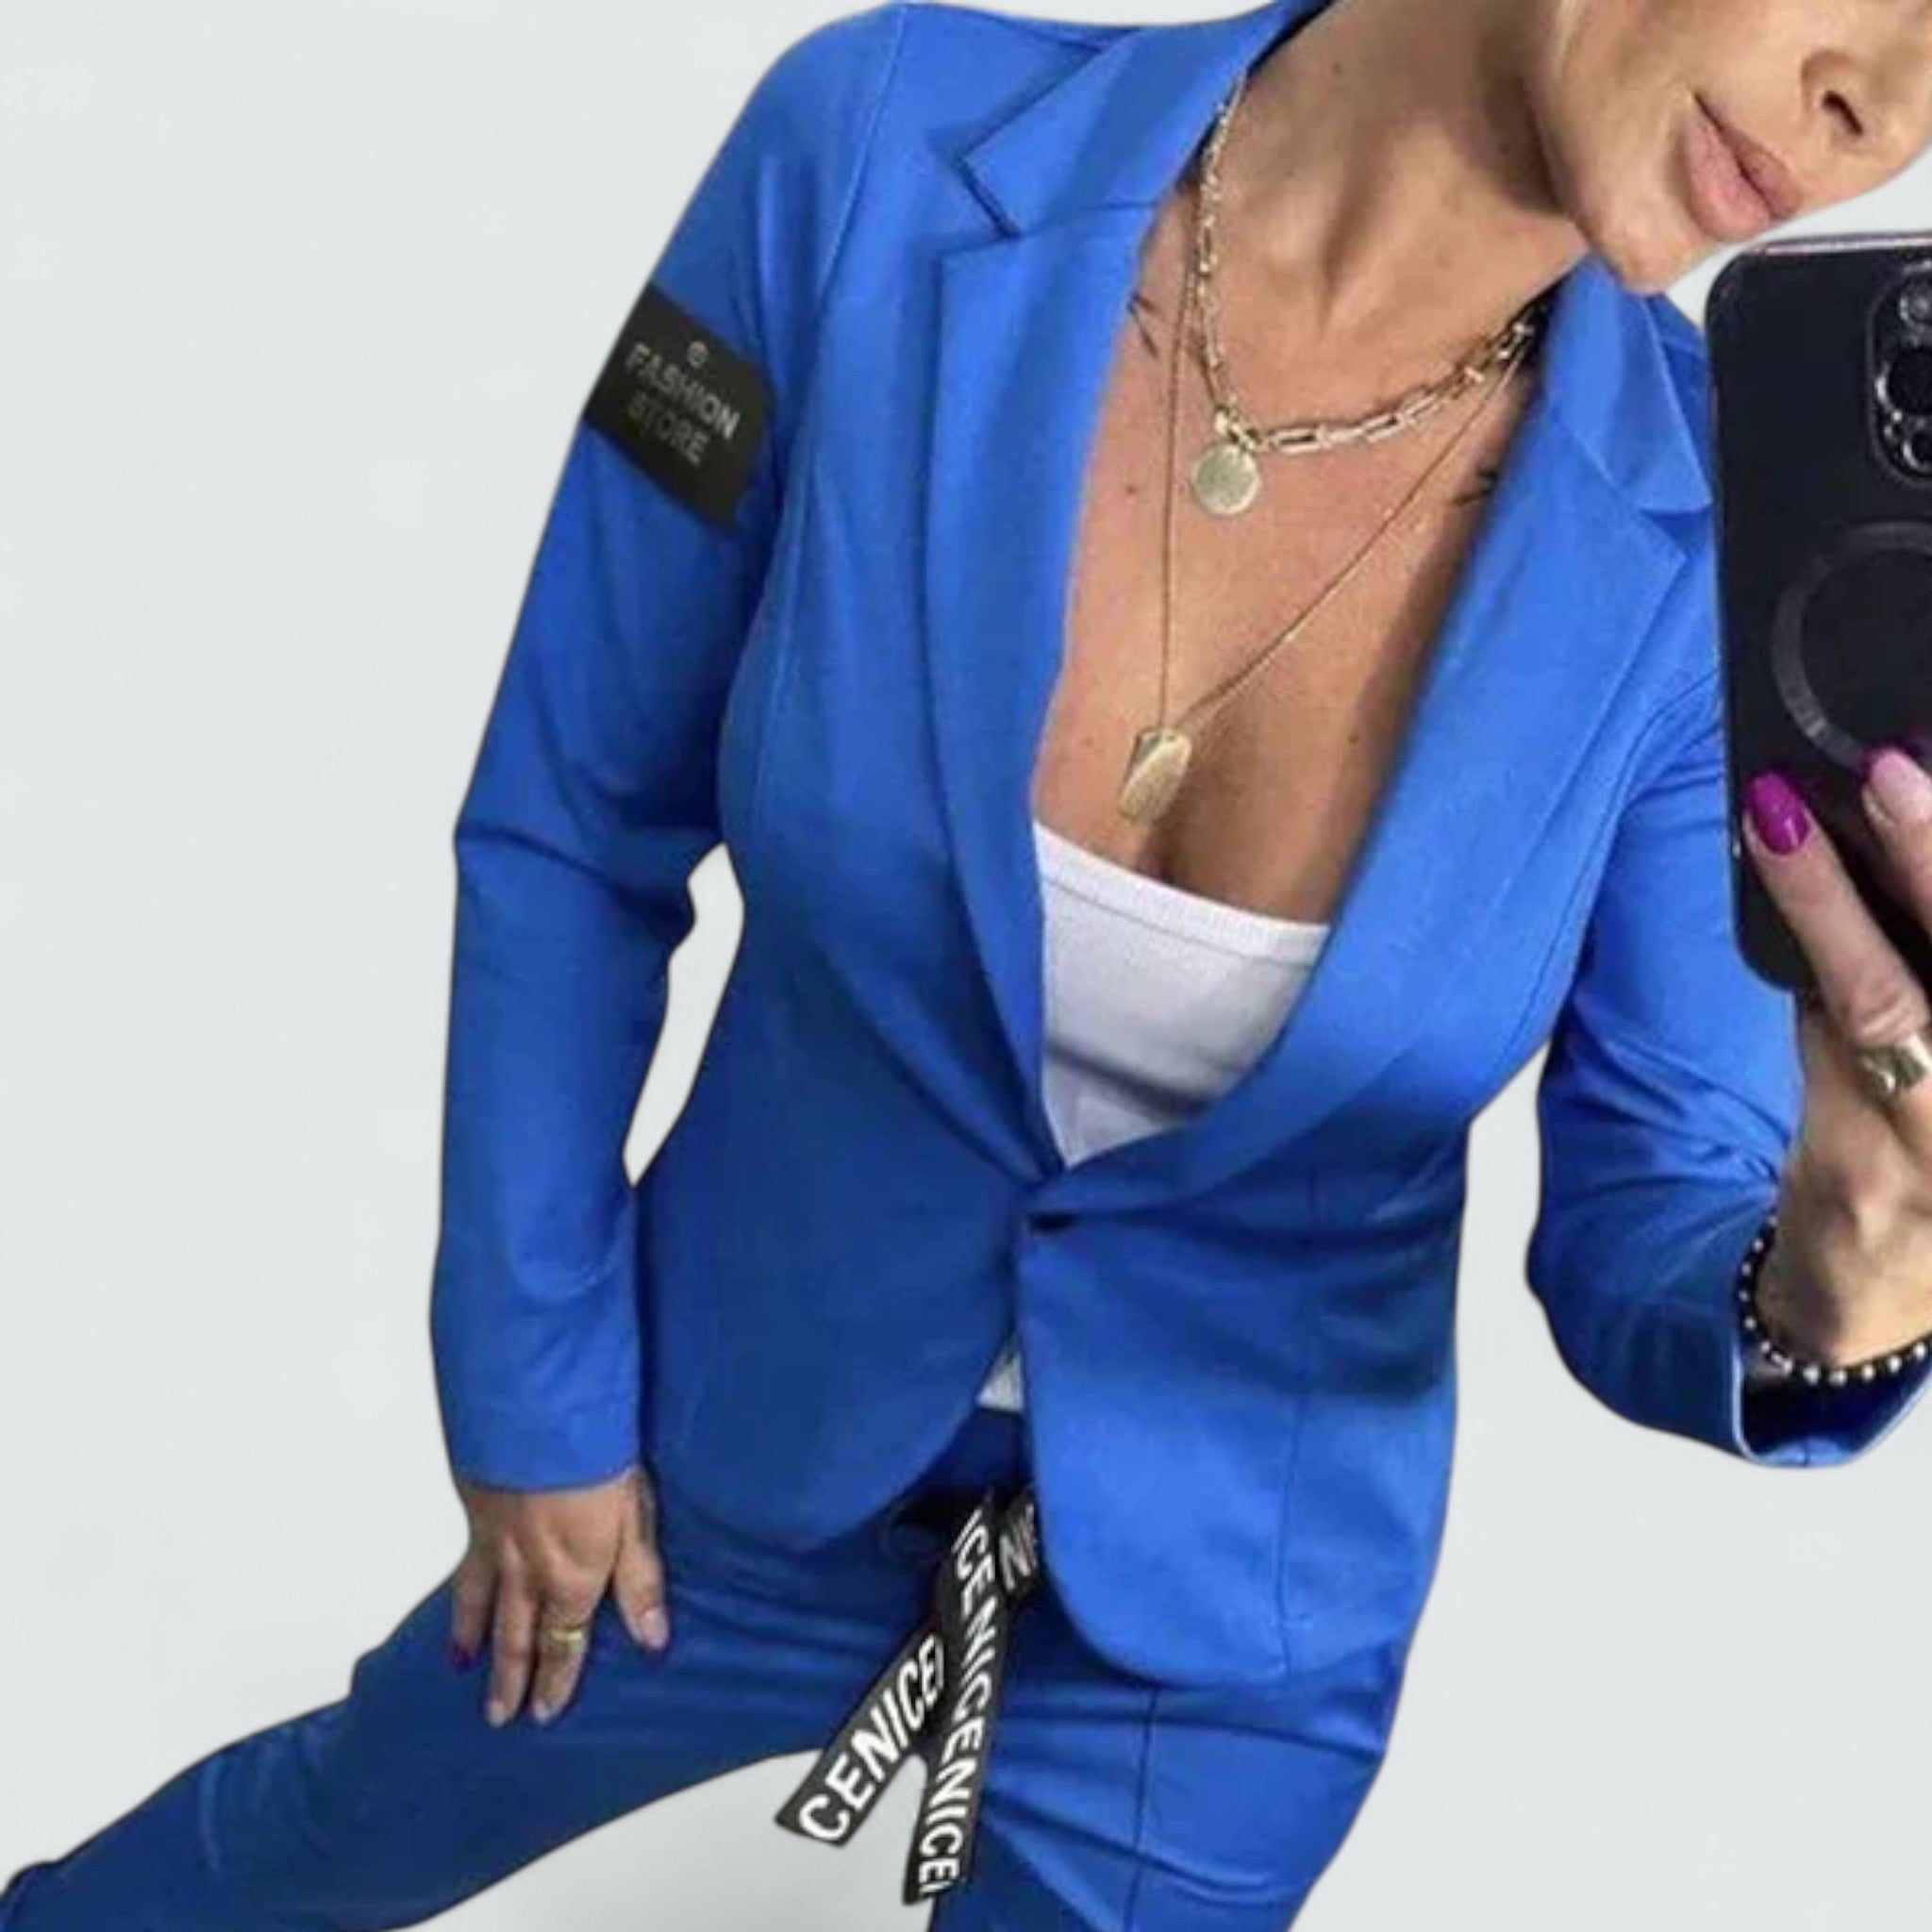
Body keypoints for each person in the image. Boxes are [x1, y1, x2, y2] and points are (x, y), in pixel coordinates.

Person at [9, 0, 1932, 1924]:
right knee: (267, 1871)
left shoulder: (1707, 541)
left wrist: (1835, 1268)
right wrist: (534, 1387)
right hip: (703, 1466)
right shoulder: (869, 157)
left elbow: (1651, 1208)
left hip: (1218, 1659)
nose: (1885, 106)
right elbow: (576, 822)